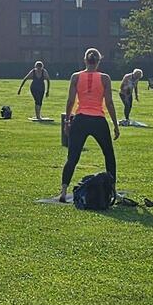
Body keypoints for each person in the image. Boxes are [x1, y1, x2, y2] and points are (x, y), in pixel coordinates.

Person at [58, 48, 120, 203]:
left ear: (85, 60)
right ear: (98, 61)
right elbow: (109, 103)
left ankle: (64, 191)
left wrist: (67, 121)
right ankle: (113, 190)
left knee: (72, 157)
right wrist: (115, 124)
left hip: (81, 119)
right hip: (98, 120)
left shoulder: (76, 77)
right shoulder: (105, 78)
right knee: (109, 155)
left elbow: (70, 101)